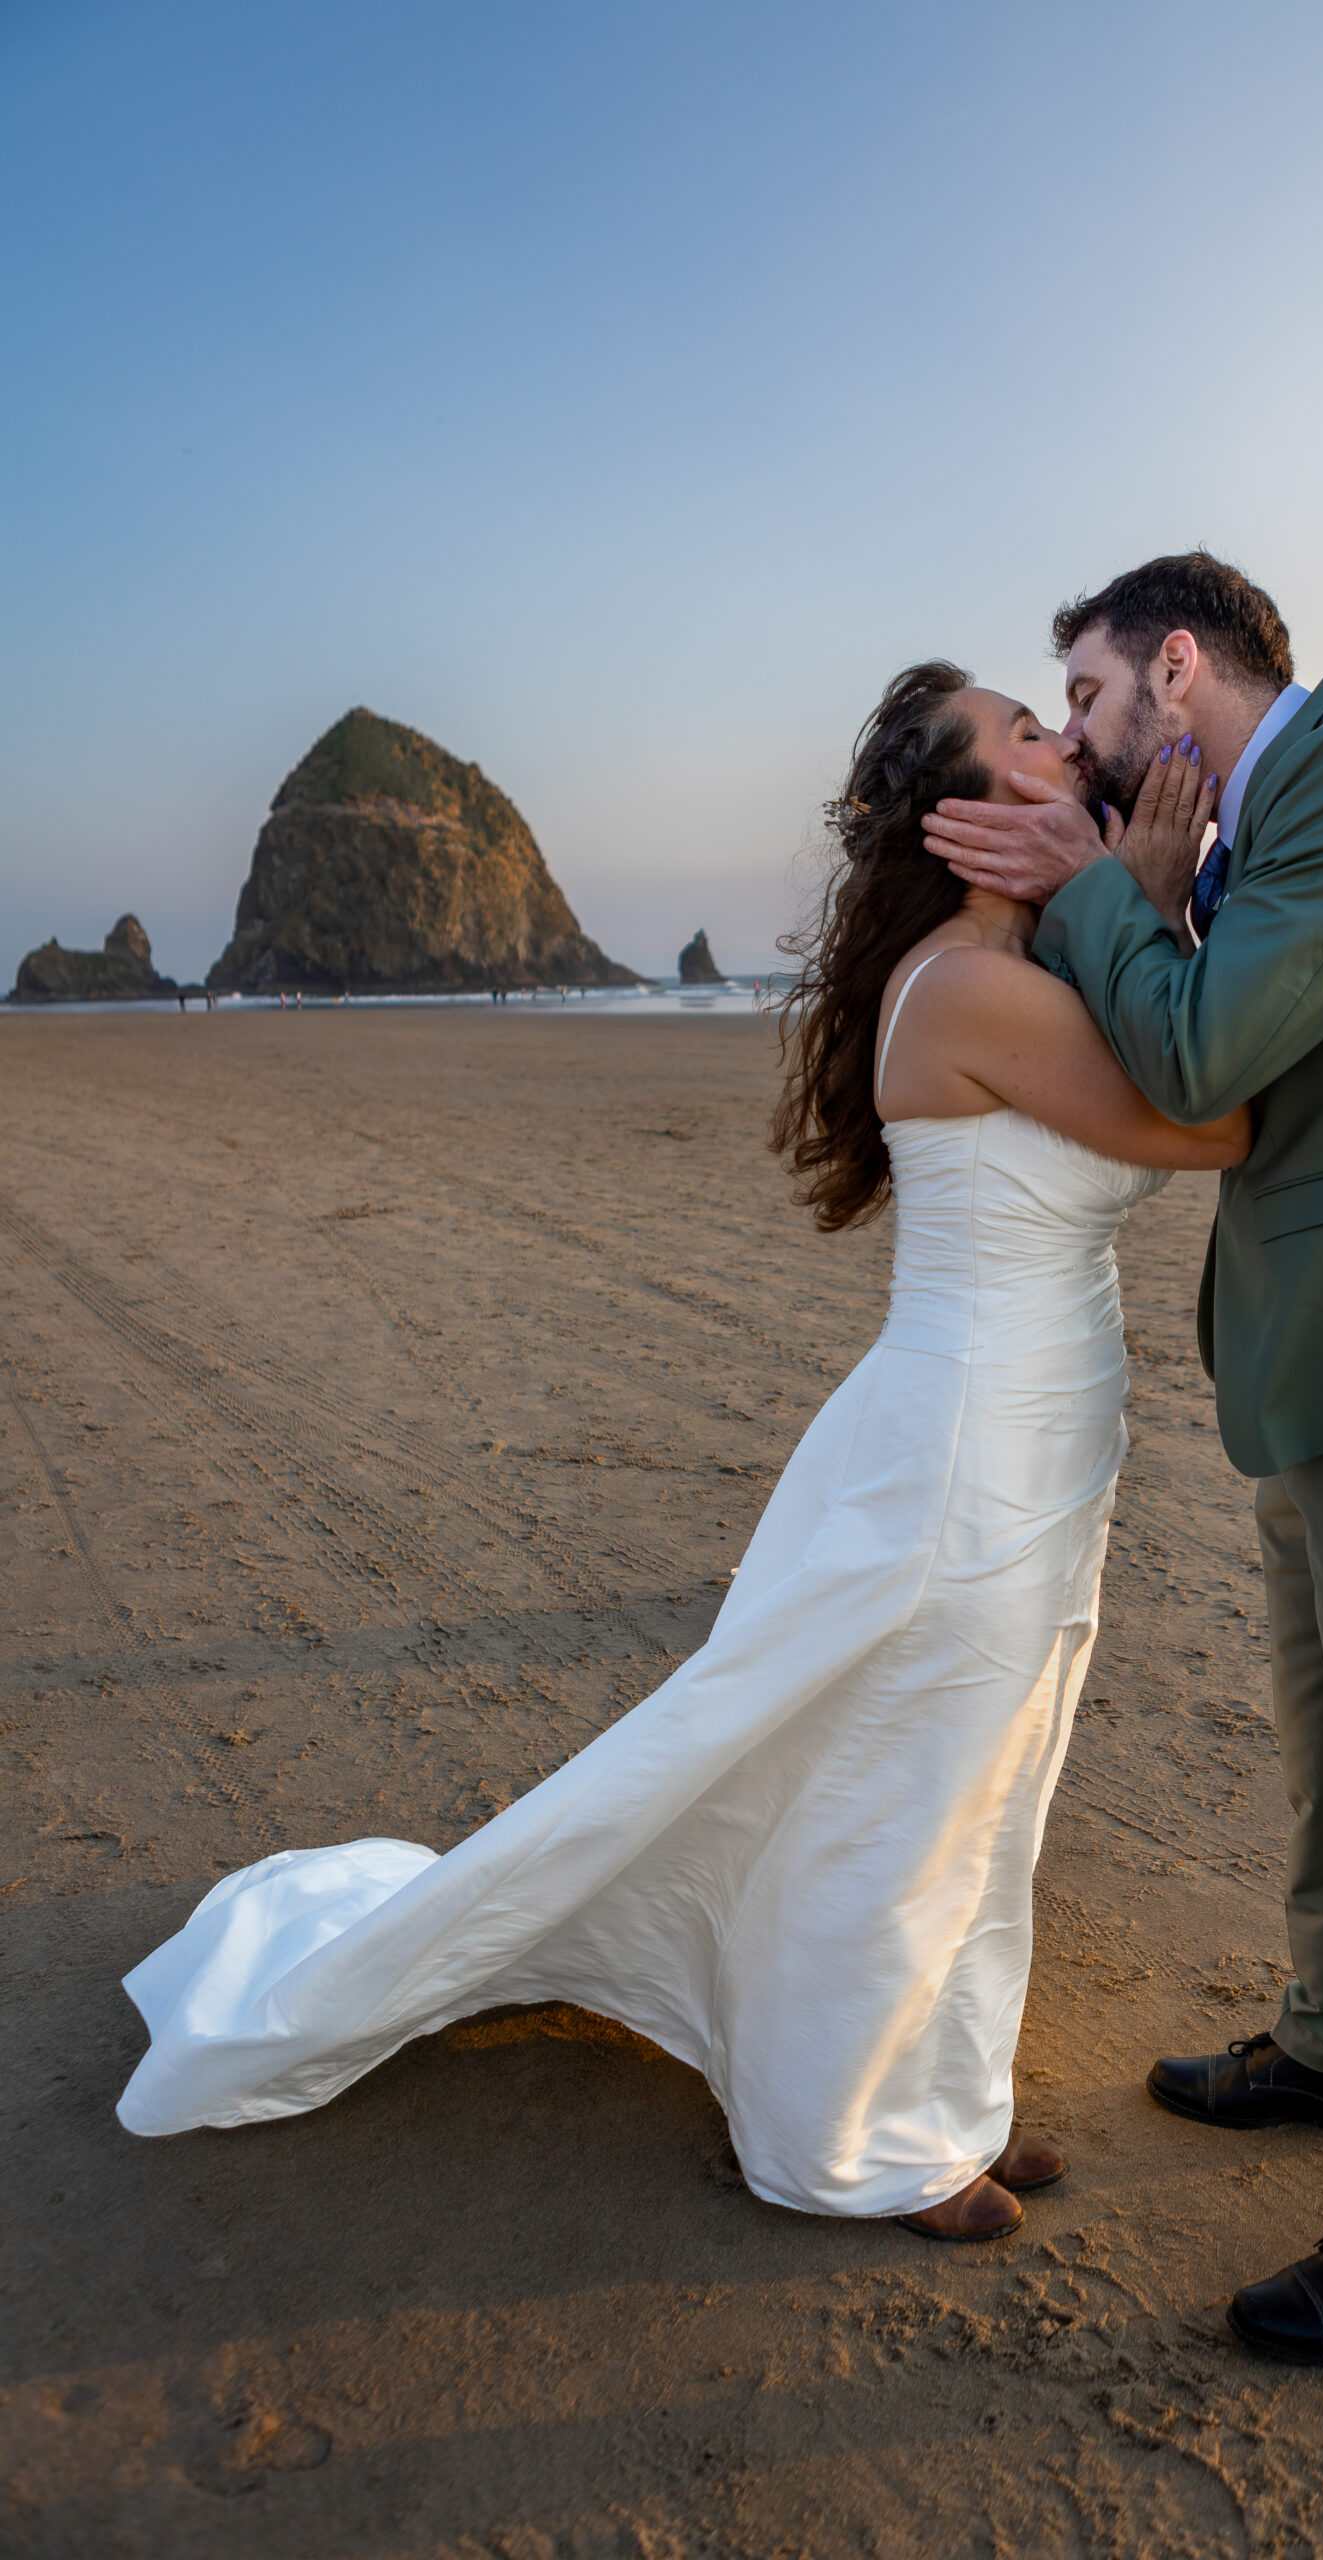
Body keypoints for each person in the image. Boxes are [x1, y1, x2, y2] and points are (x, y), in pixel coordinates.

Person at [115, 661, 1249, 2243]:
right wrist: (1153, 899)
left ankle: (939, 2098)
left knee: (983, 1775)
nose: (1066, 739)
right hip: (970, 1446)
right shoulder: (976, 988)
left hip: (1040, 1431)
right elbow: (1212, 1122)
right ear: (968, 814)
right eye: (1027, 730)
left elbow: (1173, 1074)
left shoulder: (1029, 964)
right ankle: (846, 2139)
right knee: (905, 1789)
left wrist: (1131, 908)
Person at [924, 553, 1323, 2357]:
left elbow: (1210, 1051)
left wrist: (1092, 893)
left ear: (1179, 668)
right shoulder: (1279, 809)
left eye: (1089, 701)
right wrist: (1148, 895)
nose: (1073, 737)